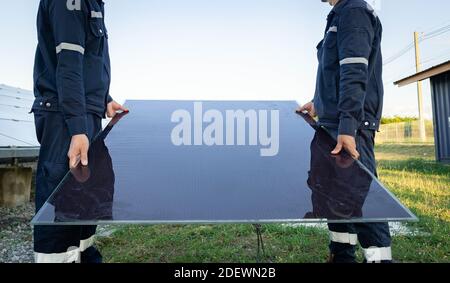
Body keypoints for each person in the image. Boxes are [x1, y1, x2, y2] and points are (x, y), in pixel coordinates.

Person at [32, 0, 127, 263]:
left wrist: (104, 100)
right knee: (62, 213)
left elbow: (88, 64)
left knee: (85, 210)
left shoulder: (92, 2)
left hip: (84, 115)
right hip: (67, 120)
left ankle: (84, 256)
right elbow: (69, 62)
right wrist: (77, 127)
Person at [297, 0, 392, 263]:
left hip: (349, 129)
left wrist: (348, 126)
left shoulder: (354, 11)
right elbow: (334, 73)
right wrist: (318, 102)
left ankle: (379, 260)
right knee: (334, 198)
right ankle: (342, 257)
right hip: (334, 124)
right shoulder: (338, 15)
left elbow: (354, 70)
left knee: (362, 199)